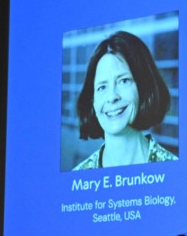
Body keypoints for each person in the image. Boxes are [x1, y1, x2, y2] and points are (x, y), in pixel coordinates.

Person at [72, 30, 177, 170]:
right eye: (102, 87)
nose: (112, 97)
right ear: (93, 102)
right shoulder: (79, 175)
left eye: (123, 81)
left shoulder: (173, 169)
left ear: (143, 88)